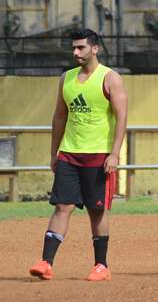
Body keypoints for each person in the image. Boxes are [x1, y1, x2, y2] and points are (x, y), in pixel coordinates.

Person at [29, 29, 128, 281]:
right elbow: (60, 116)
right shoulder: (66, 79)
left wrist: (115, 153)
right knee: (62, 206)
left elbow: (122, 117)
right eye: (73, 48)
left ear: (95, 49)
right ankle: (46, 263)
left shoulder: (110, 78)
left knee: (97, 211)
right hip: (70, 155)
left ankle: (101, 266)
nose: (76, 52)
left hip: (98, 156)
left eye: (81, 48)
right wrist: (55, 152)